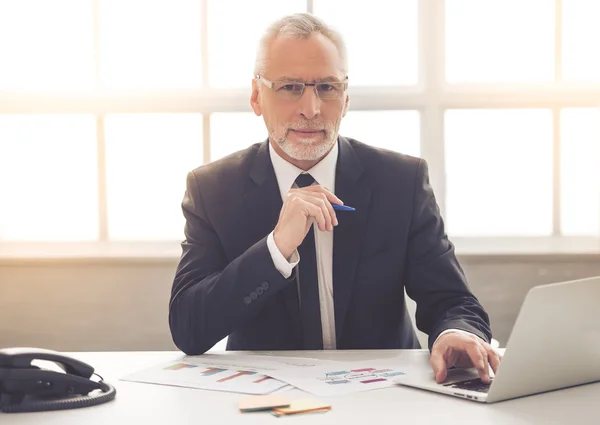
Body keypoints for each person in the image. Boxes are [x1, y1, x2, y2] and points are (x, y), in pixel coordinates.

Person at [169, 13, 500, 384]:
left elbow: (453, 300)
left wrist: (457, 332)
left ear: (345, 99)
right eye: (290, 87)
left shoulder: (401, 181)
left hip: (383, 396)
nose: (311, 109)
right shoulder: (213, 189)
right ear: (256, 96)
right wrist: (276, 249)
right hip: (267, 399)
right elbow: (189, 327)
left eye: (326, 87)